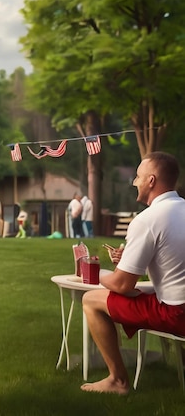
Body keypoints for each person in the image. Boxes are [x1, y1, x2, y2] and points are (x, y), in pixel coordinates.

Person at [81, 152, 185, 395]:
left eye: (137, 177)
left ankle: (118, 380)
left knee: (91, 300)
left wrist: (92, 274)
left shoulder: (147, 219)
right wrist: (127, 260)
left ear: (151, 181)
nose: (134, 182)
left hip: (177, 313)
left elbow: (122, 284)